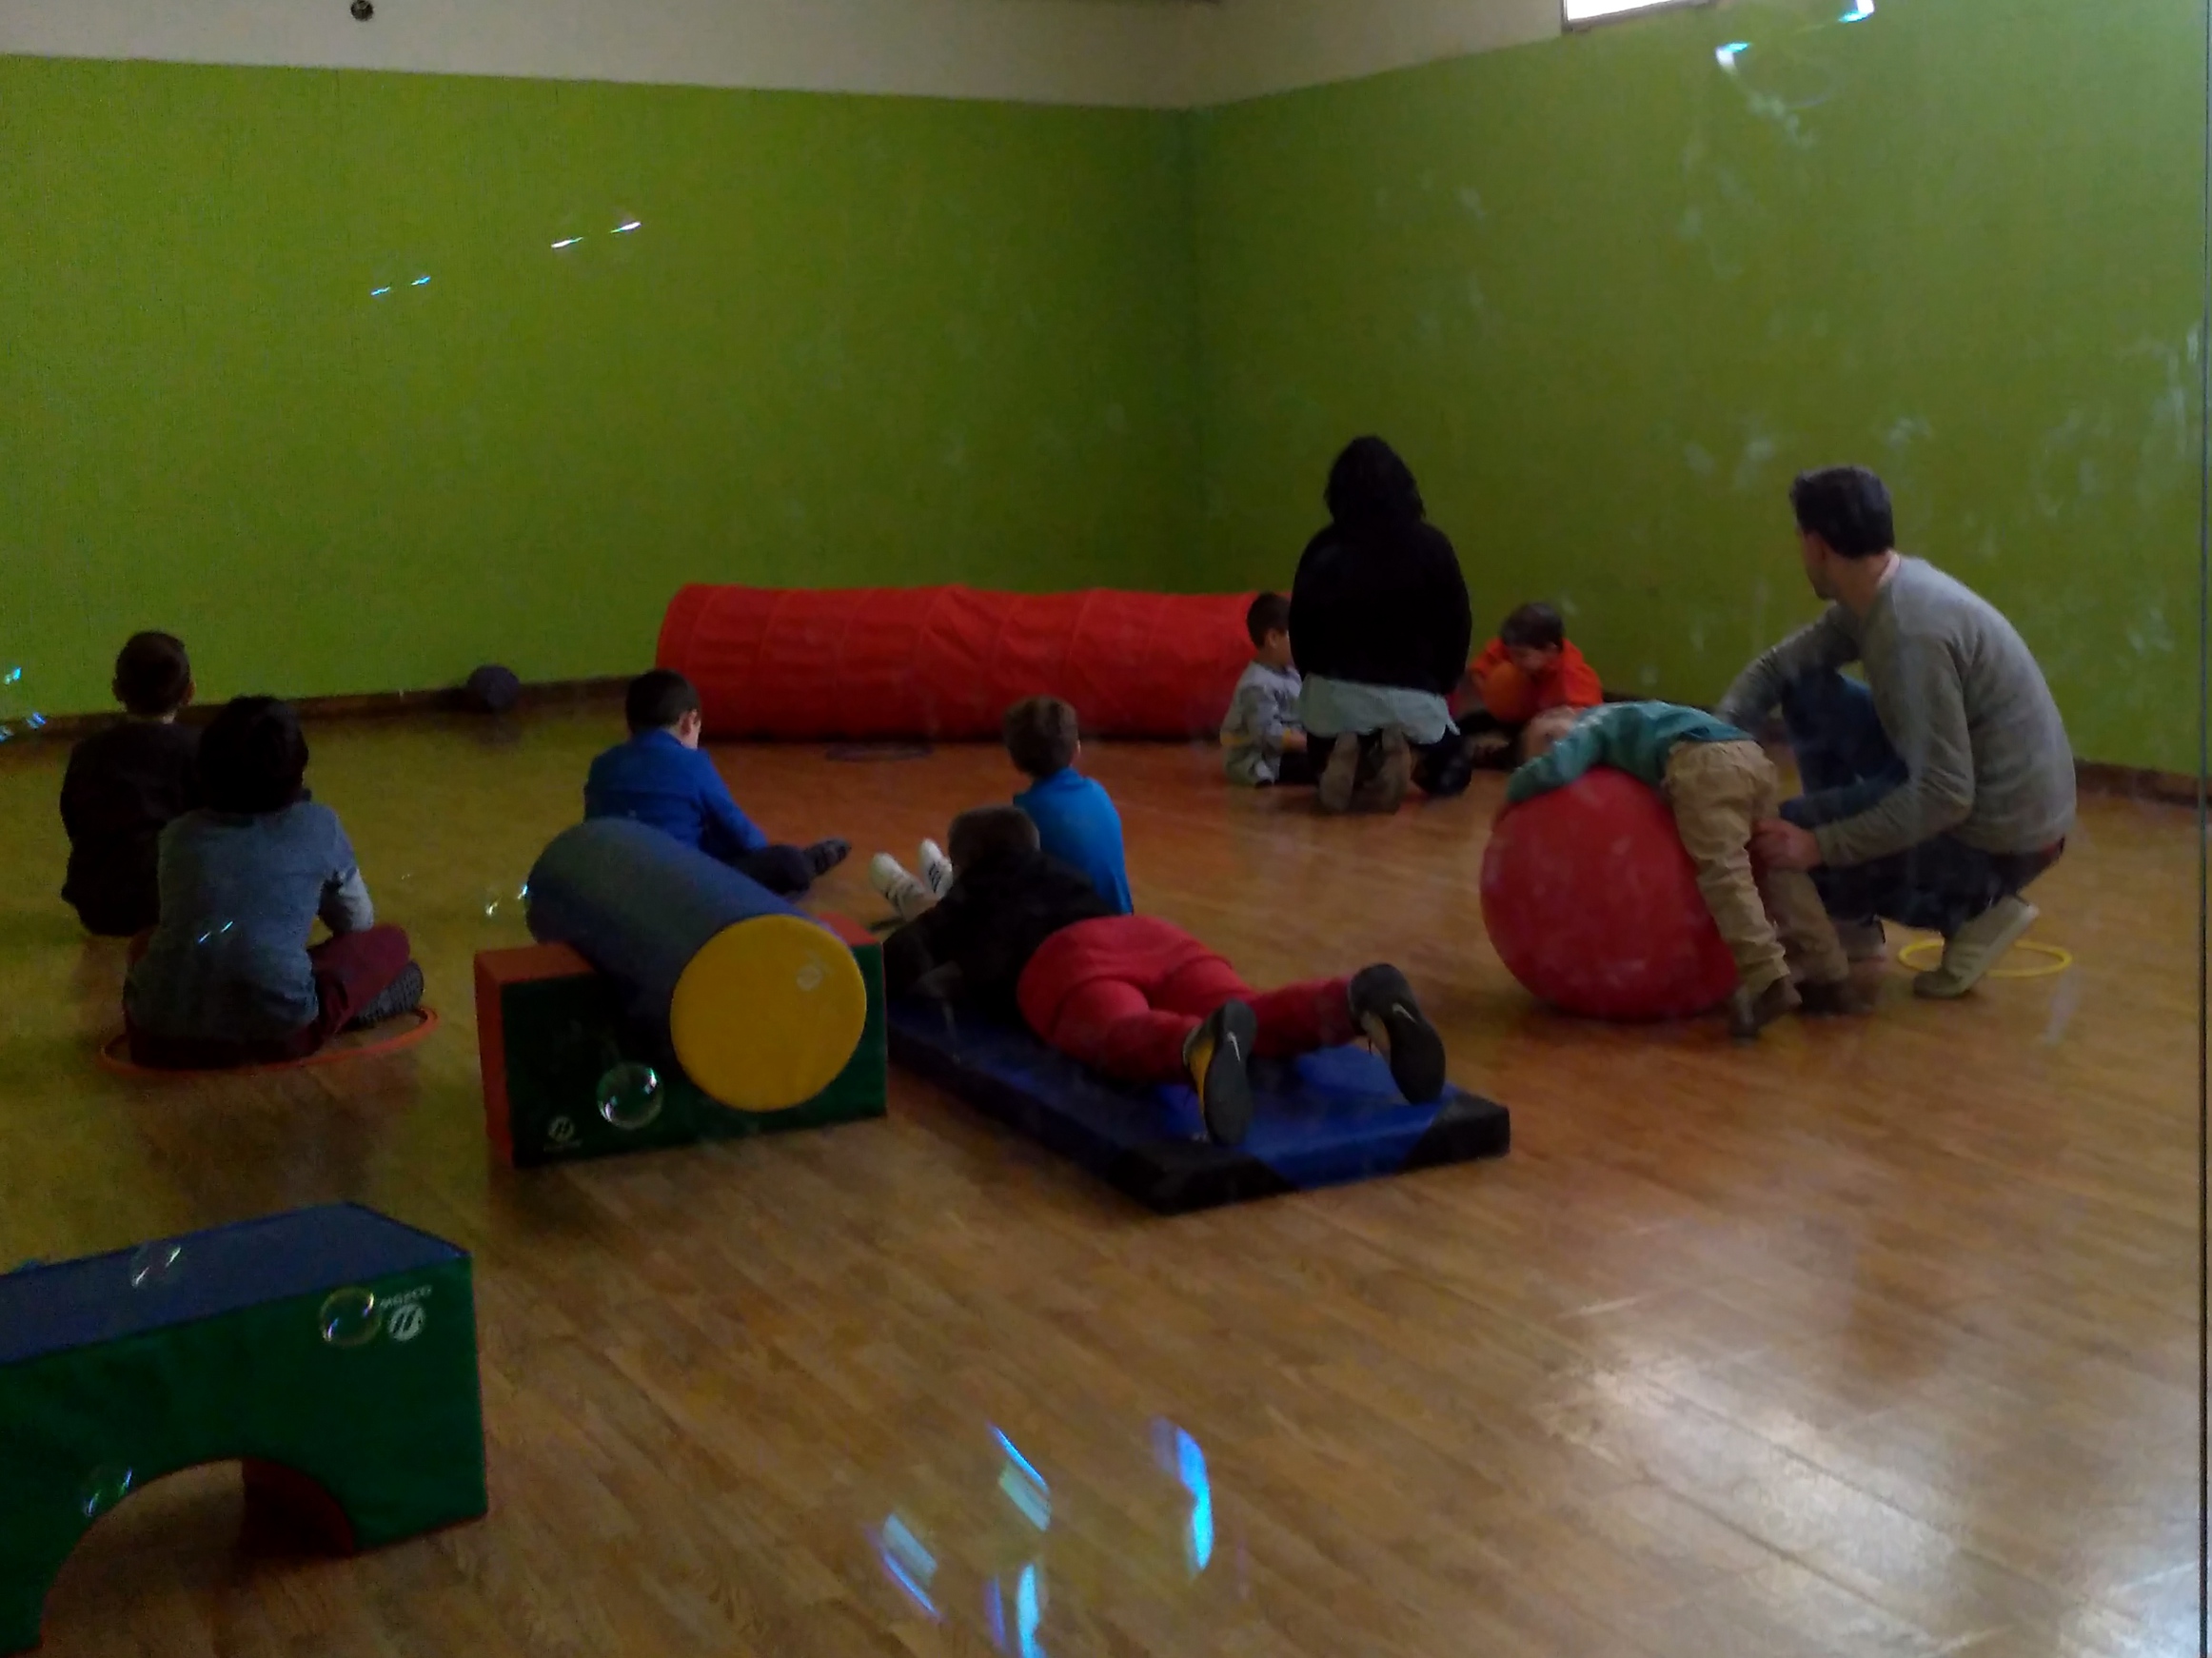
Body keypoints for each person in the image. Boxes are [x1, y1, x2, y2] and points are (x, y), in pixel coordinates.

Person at [1714, 466, 2075, 999]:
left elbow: (1946, 794)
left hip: (2004, 836)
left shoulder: (1912, 634)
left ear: (1815, 545)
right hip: (1976, 789)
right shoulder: (1877, 595)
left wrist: (1823, 844)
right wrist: (1712, 744)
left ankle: (1979, 912)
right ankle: (1850, 912)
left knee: (1788, 835)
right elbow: (1778, 669)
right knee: (1806, 686)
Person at [883, 807, 1448, 1146]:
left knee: (1117, 1030)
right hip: (1151, 936)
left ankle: (1193, 1049)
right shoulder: (1062, 873)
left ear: (965, 864)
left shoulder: (969, 899)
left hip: (1066, 962)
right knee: (1252, 1009)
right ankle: (1355, 1001)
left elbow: (902, 959)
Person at [1510, 703, 1866, 1039]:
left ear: (1569, 713)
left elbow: (1558, 767)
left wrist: (1512, 798)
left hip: (1702, 763)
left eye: (1549, 738)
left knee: (1723, 872)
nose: (1555, 747)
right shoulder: (1634, 718)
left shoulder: (1592, 723)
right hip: (1748, 754)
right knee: (1777, 864)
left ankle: (1766, 978)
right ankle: (1829, 974)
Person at [123, 697, 423, 1068]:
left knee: (147, 943)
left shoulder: (178, 834)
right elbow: (357, 924)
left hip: (155, 1037)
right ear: (298, 770)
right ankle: (354, 1008)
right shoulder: (319, 825)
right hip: (278, 1033)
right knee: (392, 943)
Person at [1288, 437, 1474, 813]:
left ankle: (1344, 760)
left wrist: (1315, 679)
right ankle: (1413, 758)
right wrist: (1440, 684)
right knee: (1455, 775)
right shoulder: (1433, 546)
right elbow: (1457, 625)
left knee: (1318, 746)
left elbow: (1301, 629)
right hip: (1411, 697)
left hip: (1334, 695)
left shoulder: (1322, 547)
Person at [585, 669, 849, 897]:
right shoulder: (692, 765)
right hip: (681, 888)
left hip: (614, 884)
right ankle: (810, 862)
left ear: (629, 725)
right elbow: (743, 834)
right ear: (689, 722)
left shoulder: (602, 766)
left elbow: (594, 830)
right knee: (787, 862)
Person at [60, 632, 203, 937]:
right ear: (189, 692)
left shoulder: (88, 751)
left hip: (99, 908)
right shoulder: (202, 750)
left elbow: (73, 817)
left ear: (116, 690)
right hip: (177, 904)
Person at [1003, 695, 1134, 913]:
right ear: (1077, 748)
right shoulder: (1096, 792)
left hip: (1076, 937)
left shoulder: (1024, 816)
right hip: (1120, 923)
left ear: (1014, 760)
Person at [1460, 602, 1604, 768]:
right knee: (1472, 722)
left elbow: (1585, 727)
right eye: (1510, 653)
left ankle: (1493, 757)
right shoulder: (1518, 645)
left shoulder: (1572, 678)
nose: (1513, 660)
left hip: (1549, 722)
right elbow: (1479, 671)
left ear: (1550, 651)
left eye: (1521, 655)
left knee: (1521, 753)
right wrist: (1494, 698)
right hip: (1523, 711)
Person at [1221, 592, 1313, 788]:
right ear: (1273, 638)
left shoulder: (1291, 673)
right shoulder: (1257, 685)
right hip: (1266, 757)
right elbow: (1268, 735)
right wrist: (1311, 743)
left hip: (1290, 748)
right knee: (1317, 765)